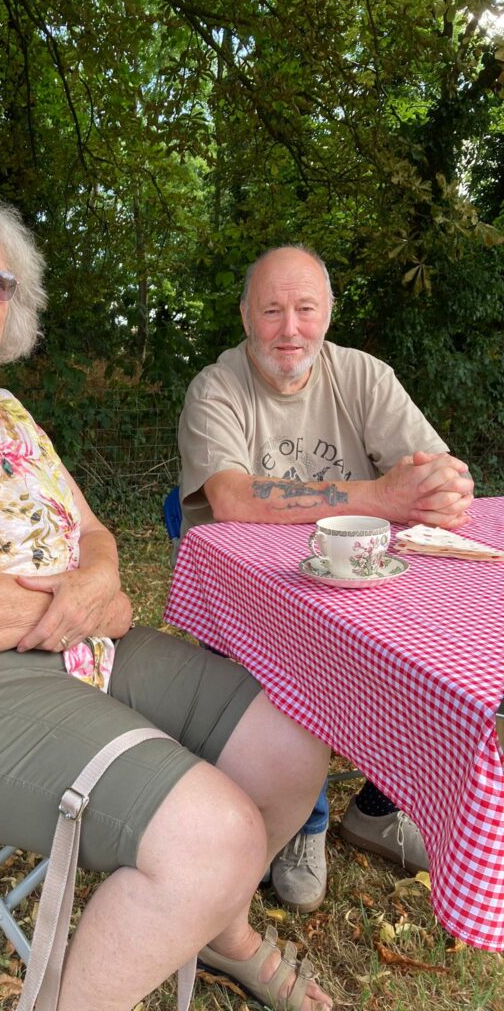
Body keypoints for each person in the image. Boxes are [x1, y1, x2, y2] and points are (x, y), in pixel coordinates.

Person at [0, 188, 334, 1011]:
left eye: (0, 284)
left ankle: (219, 929)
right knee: (217, 835)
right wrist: (83, 610)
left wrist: (99, 583)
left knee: (294, 740)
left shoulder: (6, 410)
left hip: (77, 649)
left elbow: (95, 536)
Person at [177, 245, 474, 915]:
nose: (290, 329)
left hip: (355, 578)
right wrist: (385, 497)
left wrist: (440, 485)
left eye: (305, 309)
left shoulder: (364, 375)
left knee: (436, 646)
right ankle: (301, 825)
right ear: (245, 314)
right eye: (272, 309)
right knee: (288, 658)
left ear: (329, 312)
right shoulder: (215, 387)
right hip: (253, 595)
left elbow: (436, 468)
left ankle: (378, 807)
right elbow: (231, 499)